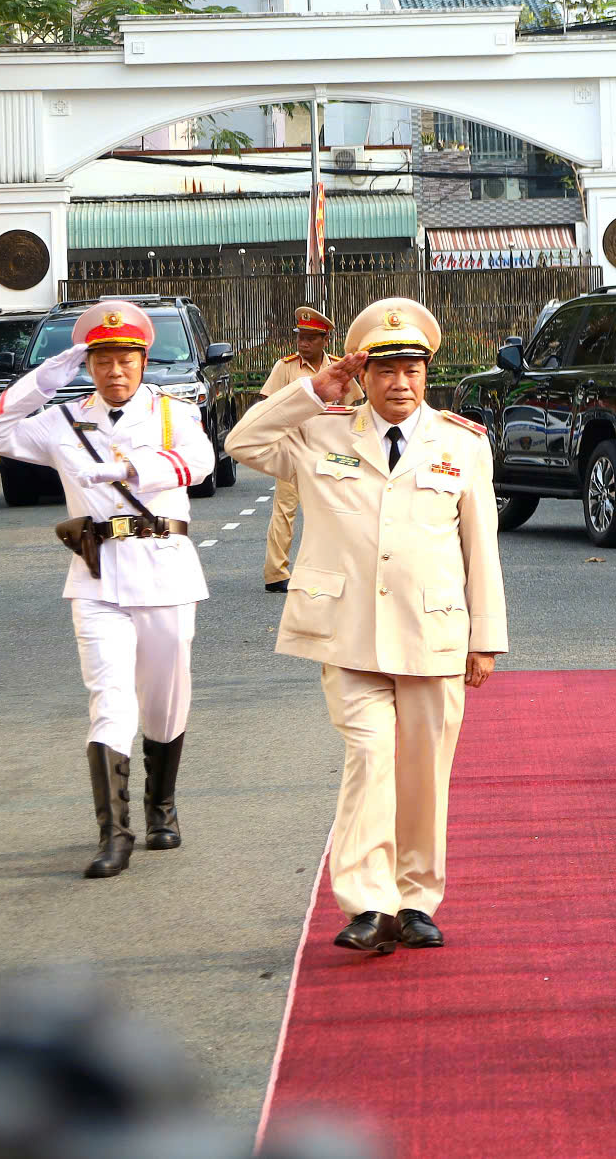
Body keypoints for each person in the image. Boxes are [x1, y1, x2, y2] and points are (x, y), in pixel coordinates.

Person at [226, 297, 507, 955]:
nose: (399, 383)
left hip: (433, 630)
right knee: (371, 754)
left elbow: (482, 544)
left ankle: (415, 899)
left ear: (427, 372)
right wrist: (309, 391)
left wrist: (485, 636)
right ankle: (366, 900)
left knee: (423, 771)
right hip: (347, 631)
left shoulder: (461, 442)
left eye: (411, 368)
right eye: (384, 370)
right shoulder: (321, 430)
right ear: (363, 373)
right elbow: (243, 443)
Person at [0, 300, 214, 878]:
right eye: (102, 359)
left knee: (164, 700)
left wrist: (135, 471)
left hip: (163, 570)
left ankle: (161, 805)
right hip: (97, 576)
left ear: (143, 360)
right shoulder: (62, 420)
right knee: (110, 700)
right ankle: (115, 833)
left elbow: (201, 461)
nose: (115, 371)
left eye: (125, 358)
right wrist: (42, 379)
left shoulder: (170, 412)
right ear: (89, 365)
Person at [258, 305, 359, 595]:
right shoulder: (285, 367)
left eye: (311, 338)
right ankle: (276, 572)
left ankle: (341, 568)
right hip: (294, 448)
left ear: (325, 339)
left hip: (331, 451)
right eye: (301, 336)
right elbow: (266, 405)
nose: (303, 342)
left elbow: (354, 408)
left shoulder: (339, 368)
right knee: (284, 510)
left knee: (338, 509)